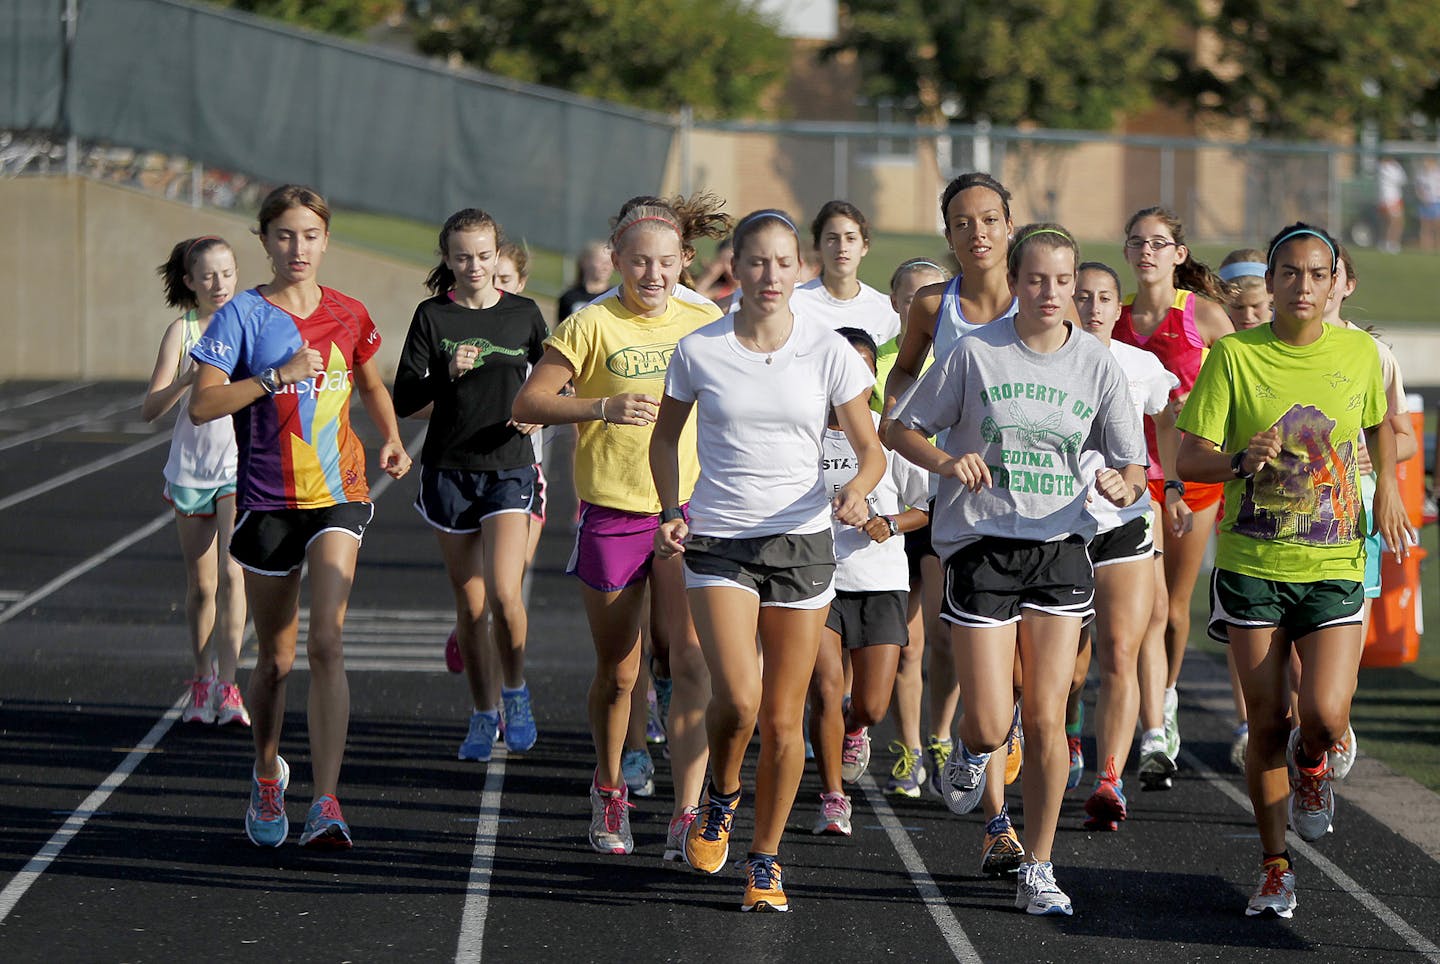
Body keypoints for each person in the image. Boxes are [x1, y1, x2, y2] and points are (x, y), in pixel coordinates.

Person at [889, 224, 1147, 916]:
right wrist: (946, 462)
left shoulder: (1096, 363)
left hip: (1060, 544)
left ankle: (1040, 865)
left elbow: (1132, 464)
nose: (1052, 293)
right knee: (987, 718)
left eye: (1064, 281)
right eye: (1037, 279)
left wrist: (1125, 485)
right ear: (1016, 280)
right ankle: (972, 749)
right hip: (981, 543)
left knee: (1044, 715)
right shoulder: (976, 354)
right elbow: (900, 429)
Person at [1175, 222, 1411, 919]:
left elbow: (1379, 426)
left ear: (1335, 282)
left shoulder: (1362, 353)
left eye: (1317, 274)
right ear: (1270, 282)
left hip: (1335, 562)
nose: (1303, 286)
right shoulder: (1233, 359)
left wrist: (1390, 489)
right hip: (1253, 566)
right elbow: (1191, 460)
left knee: (1325, 714)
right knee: (1269, 723)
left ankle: (1316, 769)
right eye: (1290, 273)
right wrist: (1243, 459)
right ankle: (1275, 867)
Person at [651, 209, 884, 913]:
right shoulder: (699, 349)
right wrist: (670, 509)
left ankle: (766, 860)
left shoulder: (829, 350)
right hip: (719, 541)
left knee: (786, 721)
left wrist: (856, 491)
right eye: (757, 262)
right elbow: (666, 441)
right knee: (740, 700)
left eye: (784, 262)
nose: (771, 276)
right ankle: (723, 794)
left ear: (801, 267)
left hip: (804, 541)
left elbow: (870, 449)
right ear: (736, 267)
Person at [189, 184, 412, 849]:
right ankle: (265, 771)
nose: (298, 248)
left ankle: (328, 800)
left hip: (339, 493)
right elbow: (203, 406)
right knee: (275, 663)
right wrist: (277, 376)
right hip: (266, 501)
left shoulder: (348, 313)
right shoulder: (241, 318)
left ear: (325, 241)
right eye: (285, 235)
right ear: (264, 241)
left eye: (310, 235)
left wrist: (392, 436)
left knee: (327, 643)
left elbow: (370, 380)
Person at [512, 197, 723, 857]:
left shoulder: (707, 316)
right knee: (620, 672)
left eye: (665, 263)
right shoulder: (591, 322)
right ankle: (609, 789)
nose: (653, 275)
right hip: (612, 510)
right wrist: (600, 405)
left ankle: (688, 810)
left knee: (689, 660)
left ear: (683, 261)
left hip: (687, 510)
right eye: (640, 263)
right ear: (618, 261)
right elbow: (528, 402)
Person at [881, 173, 1020, 807]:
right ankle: (980, 759)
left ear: (1008, 225)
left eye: (989, 219)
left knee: (1042, 666)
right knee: (953, 637)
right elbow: (906, 370)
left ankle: (993, 733)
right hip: (962, 504)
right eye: (963, 223)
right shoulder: (935, 306)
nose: (978, 232)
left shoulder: (1039, 298)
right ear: (948, 235)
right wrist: (915, 434)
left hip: (1040, 503)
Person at [392, 210, 548, 763]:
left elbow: (558, 376)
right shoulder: (432, 316)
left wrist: (540, 411)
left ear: (496, 252)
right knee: (471, 604)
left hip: (508, 466)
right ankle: (484, 713)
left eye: (483, 255)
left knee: (507, 595)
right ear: (447, 258)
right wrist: (446, 375)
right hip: (448, 471)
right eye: (462, 257)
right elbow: (405, 401)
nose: (475, 266)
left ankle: (516, 691)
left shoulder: (524, 315)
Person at [1115, 206, 1232, 791]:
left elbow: (1245, 381)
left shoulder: (1204, 316)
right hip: (1131, 476)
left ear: (1179, 254)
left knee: (1176, 606)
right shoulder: (1111, 317)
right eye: (1137, 243)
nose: (1148, 252)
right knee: (1148, 605)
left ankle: (1165, 697)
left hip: (1193, 472)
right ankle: (1148, 722)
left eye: (1159, 243)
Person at [1066, 261, 1179, 830]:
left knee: (1119, 652)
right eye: (1081, 296)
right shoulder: (1044, 359)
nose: (1091, 307)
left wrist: (1171, 483)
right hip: (1058, 523)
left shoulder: (1142, 367)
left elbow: (1172, 419)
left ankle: (1110, 779)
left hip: (1126, 519)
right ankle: (1067, 731)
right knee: (1065, 669)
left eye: (1103, 298)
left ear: (1118, 308)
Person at [809, 326, 930, 834]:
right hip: (817, 579)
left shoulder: (891, 436)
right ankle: (833, 796)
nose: (853, 379)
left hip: (880, 581)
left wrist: (889, 523)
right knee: (825, 687)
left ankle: (853, 728)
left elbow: (926, 506)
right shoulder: (804, 433)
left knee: (873, 705)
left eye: (863, 368)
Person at [142, 235, 249, 727]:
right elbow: (149, 409)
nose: (219, 283)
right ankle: (202, 677)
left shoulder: (250, 322)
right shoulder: (181, 331)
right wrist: (187, 379)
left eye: (226, 272)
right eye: (207, 275)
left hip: (237, 467)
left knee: (233, 573)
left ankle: (229, 685)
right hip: (190, 470)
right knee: (202, 585)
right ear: (190, 281)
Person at [876, 258, 952, 799]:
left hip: (944, 508)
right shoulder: (877, 365)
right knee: (905, 643)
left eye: (923, 299)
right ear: (895, 303)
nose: (913, 307)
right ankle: (908, 748)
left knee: (945, 637)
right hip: (891, 511)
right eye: (905, 298)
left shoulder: (957, 355)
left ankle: (942, 735)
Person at [788, 200, 901, 347]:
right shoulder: (793, 303)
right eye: (832, 238)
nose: (842, 247)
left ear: (865, 246)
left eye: (851, 238)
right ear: (818, 246)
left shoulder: (887, 311)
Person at [556, 241, 613, 320]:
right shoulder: (569, 297)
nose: (606, 267)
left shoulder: (617, 298)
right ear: (585, 262)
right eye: (600, 261)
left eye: (610, 262)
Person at [1218, 250, 1272, 331]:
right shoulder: (1214, 336)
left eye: (1255, 306)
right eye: (1238, 307)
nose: (1248, 316)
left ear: (1272, 294)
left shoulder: (1291, 333)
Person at [1377, 157, 1407, 254]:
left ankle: (1391, 242)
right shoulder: (1384, 168)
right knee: (1393, 222)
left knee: (1396, 222)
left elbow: (1403, 179)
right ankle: (1389, 242)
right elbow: (1399, 179)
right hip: (1389, 198)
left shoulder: (1393, 167)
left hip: (1395, 197)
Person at [1415, 157, 1440, 252]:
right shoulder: (1421, 175)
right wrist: (1423, 198)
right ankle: (1425, 248)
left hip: (1437, 202)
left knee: (1437, 226)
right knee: (1425, 226)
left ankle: (1438, 247)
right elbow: (1418, 189)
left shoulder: (1437, 173)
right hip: (1425, 203)